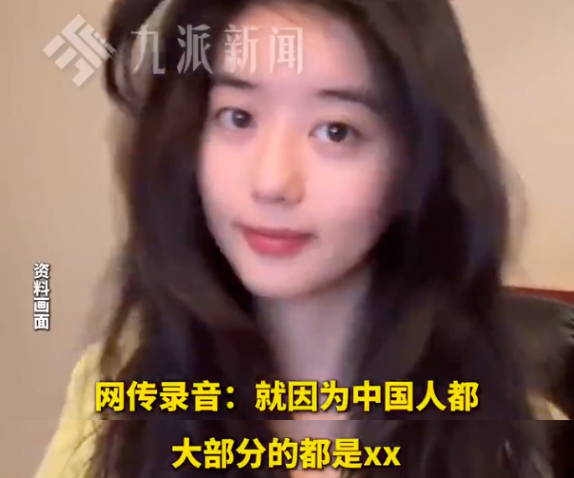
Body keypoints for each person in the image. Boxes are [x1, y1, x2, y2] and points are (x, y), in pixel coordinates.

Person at [35, 0, 569, 478]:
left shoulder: (504, 434)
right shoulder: (114, 395)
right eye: (238, 117)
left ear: (418, 163)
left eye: (336, 130)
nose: (271, 181)